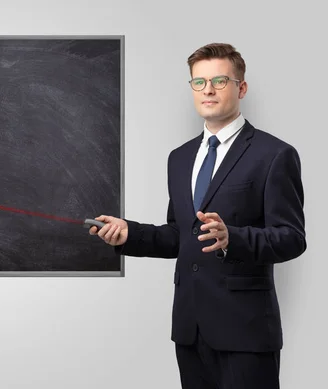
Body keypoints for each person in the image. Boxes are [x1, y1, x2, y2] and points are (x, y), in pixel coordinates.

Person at [90, 43, 306, 388]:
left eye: (220, 81)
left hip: (245, 331)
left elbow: (292, 238)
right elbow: (181, 234)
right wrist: (130, 233)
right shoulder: (180, 157)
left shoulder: (274, 154)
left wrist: (232, 238)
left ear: (241, 87)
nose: (208, 90)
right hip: (190, 329)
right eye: (199, 82)